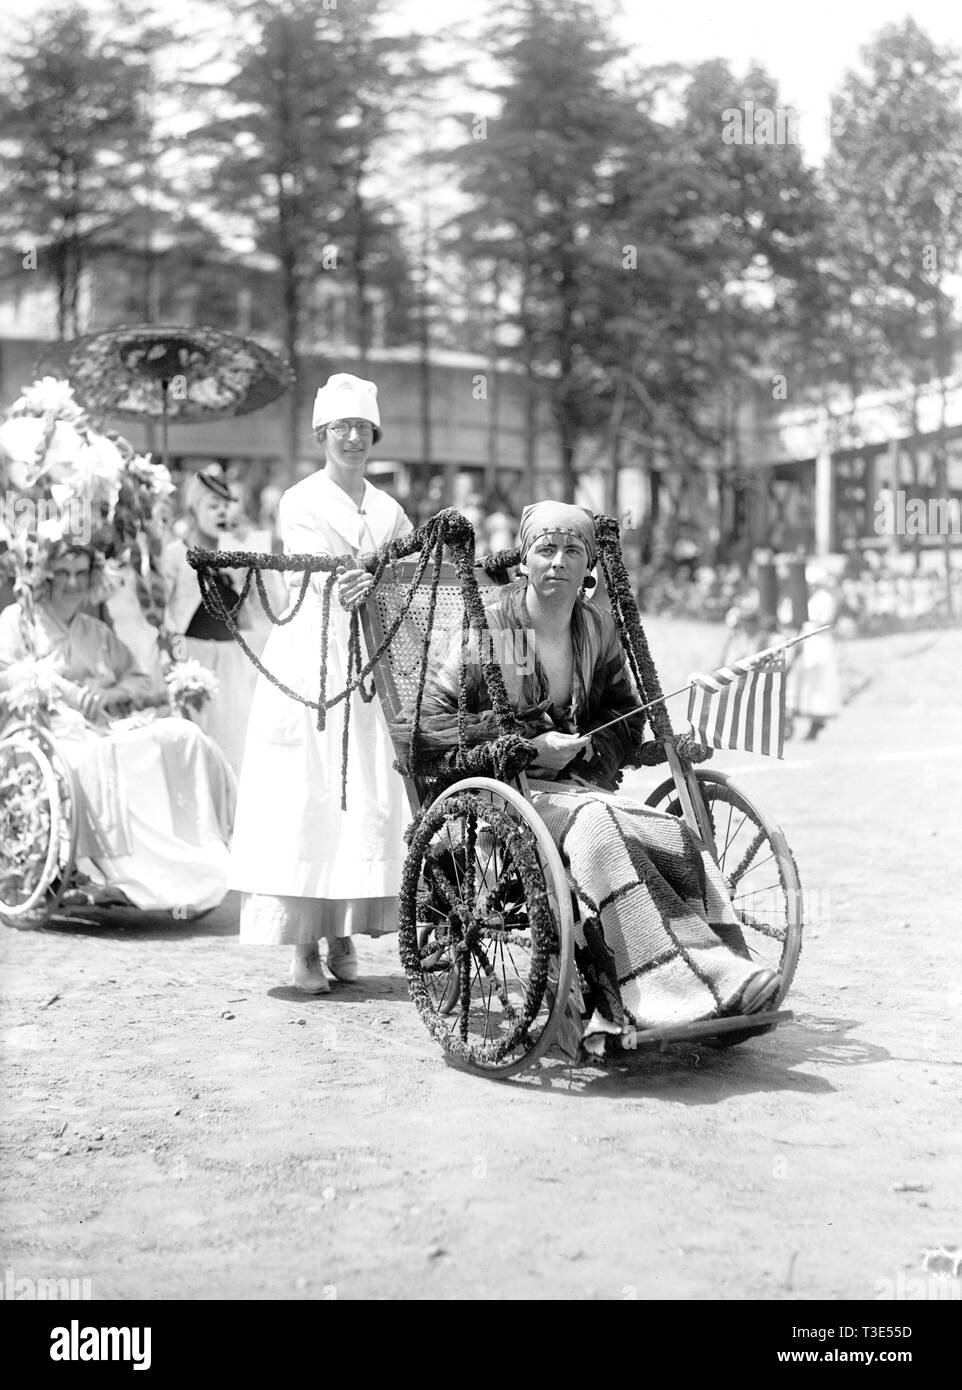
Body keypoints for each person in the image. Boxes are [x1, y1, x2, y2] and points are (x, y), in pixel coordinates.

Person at [417, 501, 781, 1049]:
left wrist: (588, 749)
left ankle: (721, 971)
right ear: (524, 559)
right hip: (505, 790)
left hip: (576, 786)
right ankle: (650, 993)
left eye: (572, 550)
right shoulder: (496, 624)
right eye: (545, 548)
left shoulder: (593, 629)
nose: (558, 562)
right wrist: (524, 744)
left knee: (666, 830)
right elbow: (432, 719)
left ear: (589, 562)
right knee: (599, 828)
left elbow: (619, 711)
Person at [230, 373, 413, 993]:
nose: (353, 438)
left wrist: (381, 585)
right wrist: (349, 584)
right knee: (308, 794)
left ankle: (343, 931)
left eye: (362, 428)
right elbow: (309, 576)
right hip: (311, 660)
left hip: (368, 664)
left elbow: (407, 577)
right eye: (341, 428)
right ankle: (304, 947)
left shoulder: (388, 509)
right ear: (321, 435)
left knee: (361, 795)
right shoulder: (299, 500)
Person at [0, 540, 233, 914]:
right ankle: (120, 870)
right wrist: (69, 693)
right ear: (46, 575)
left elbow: (140, 680)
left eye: (81, 573)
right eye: (63, 573)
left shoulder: (96, 631)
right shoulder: (19, 619)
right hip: (50, 732)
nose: (72, 583)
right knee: (93, 759)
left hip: (104, 726)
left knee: (182, 735)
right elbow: (8, 673)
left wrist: (109, 693)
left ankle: (192, 859)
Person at [161, 465, 258, 774]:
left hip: (230, 662)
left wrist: (248, 558)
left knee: (234, 743)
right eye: (211, 505)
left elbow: (262, 608)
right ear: (193, 509)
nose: (220, 512)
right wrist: (176, 665)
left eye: (225, 505)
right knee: (193, 743)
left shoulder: (237, 554)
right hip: (192, 659)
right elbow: (162, 617)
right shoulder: (175, 554)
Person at [786, 563, 841, 741]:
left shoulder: (825, 599)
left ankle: (817, 721)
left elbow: (822, 622)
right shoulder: (810, 599)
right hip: (809, 643)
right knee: (807, 683)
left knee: (820, 684)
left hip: (820, 643)